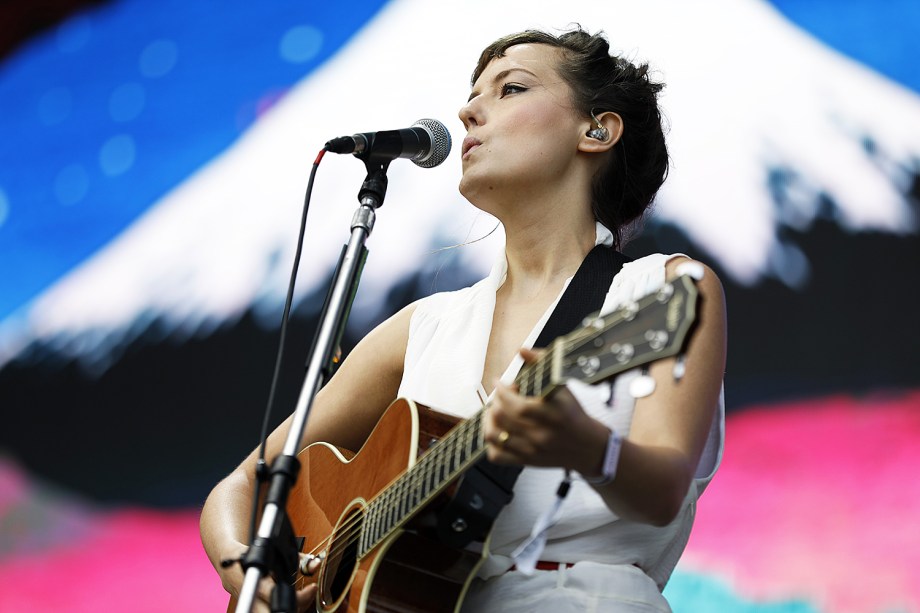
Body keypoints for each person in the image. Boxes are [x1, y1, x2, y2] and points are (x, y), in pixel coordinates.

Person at [200, 25, 726, 612]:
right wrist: (247, 576)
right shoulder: (423, 328)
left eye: (511, 89)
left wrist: (587, 447)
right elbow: (248, 483)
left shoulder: (663, 291)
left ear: (596, 130)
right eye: (473, 93)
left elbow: (663, 491)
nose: (468, 112)